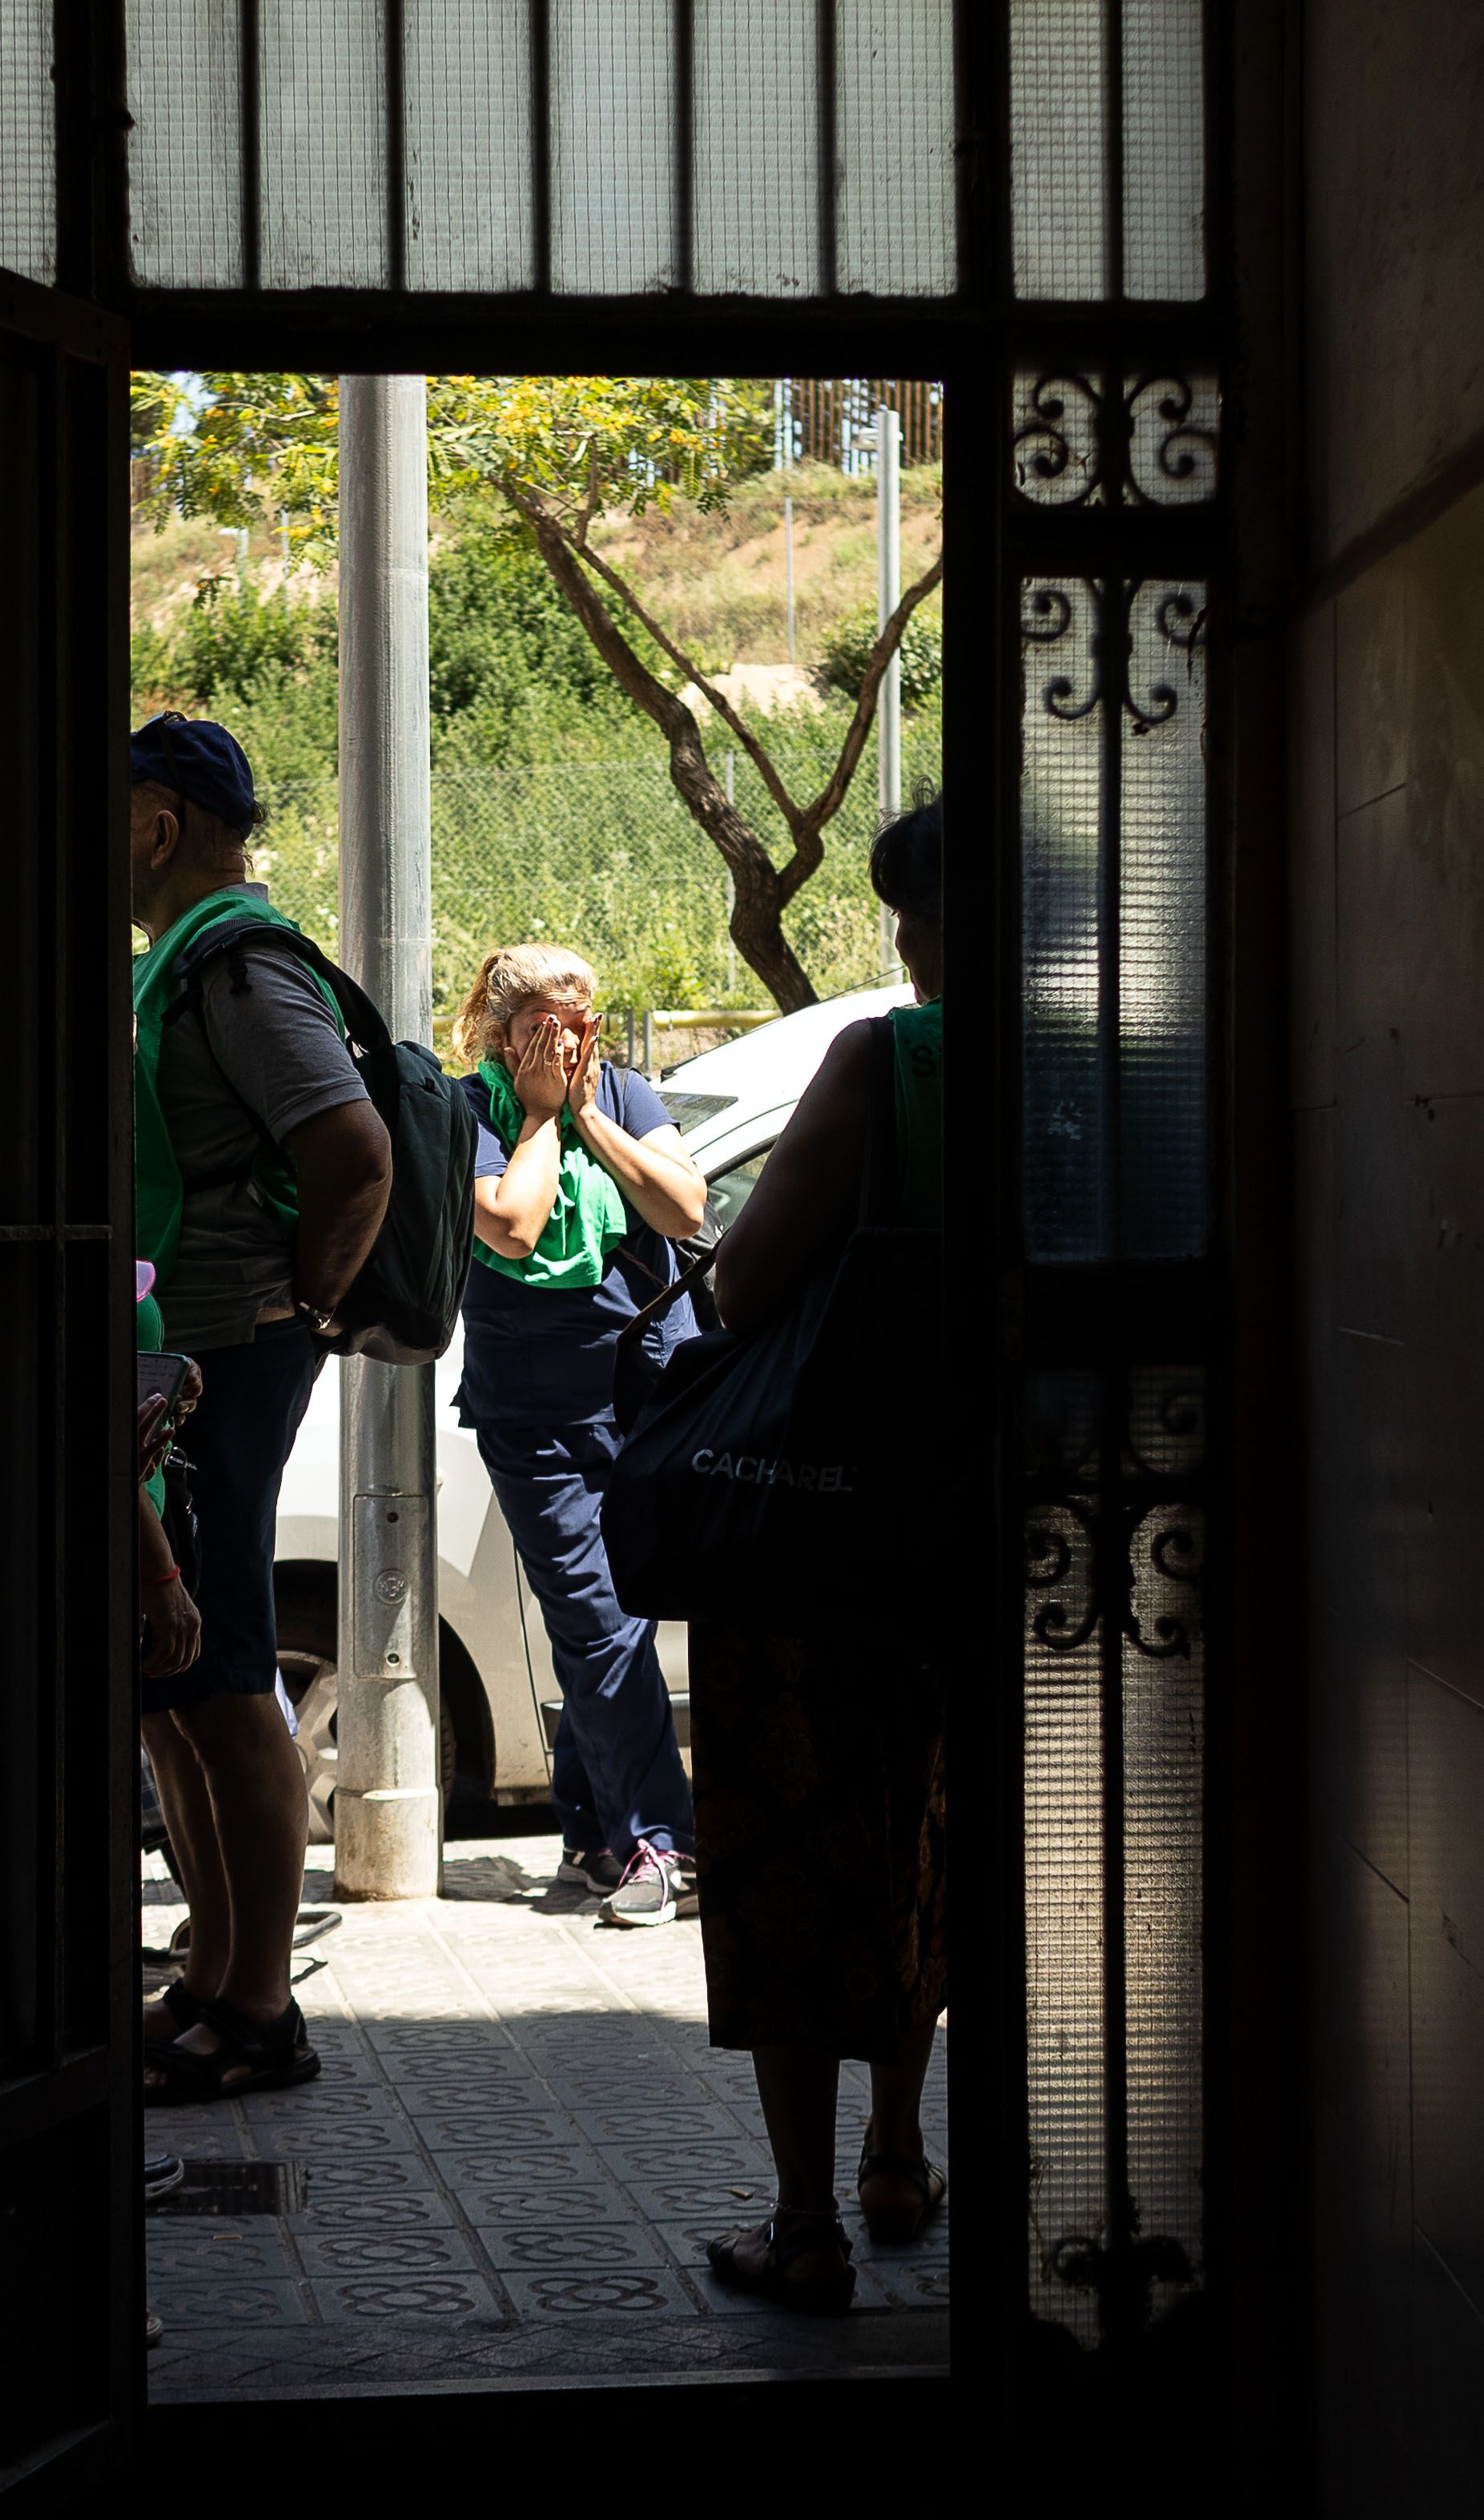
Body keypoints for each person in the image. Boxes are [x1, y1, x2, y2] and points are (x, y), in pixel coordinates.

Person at [688, 797, 953, 2312]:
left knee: (793, 1844)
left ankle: (802, 2223)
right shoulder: (1110, 1064)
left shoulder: (889, 1058)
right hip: (975, 1531)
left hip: (818, 1529)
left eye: (913, 911)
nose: (905, 942)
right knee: (922, 1833)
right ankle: (903, 2149)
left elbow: (743, 1282)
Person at [126, 713, 394, 2105]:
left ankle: (257, 2004)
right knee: (178, 1683)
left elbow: (352, 1150)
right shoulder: (182, 962)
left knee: (227, 1683)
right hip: (188, 1351)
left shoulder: (236, 963)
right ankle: (211, 1975)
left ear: (160, 822)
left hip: (227, 1351)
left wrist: (308, 1301)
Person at [449, 942, 710, 1924]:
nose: (567, 1042)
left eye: (581, 1022)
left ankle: (589, 1829)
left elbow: (681, 1208)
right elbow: (510, 1226)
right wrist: (544, 1117)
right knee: (597, 1620)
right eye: (543, 1028)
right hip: (533, 1417)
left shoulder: (627, 1099)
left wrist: (592, 1115)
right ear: (500, 1030)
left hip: (643, 1399)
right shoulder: (468, 1111)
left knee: (610, 1619)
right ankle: (660, 1843)